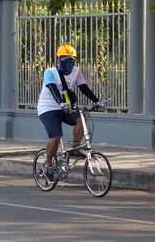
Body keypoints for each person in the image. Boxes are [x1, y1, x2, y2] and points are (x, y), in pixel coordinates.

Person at [36, 44, 106, 181]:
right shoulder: (50, 72)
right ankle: (47, 164)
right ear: (58, 60)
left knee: (82, 118)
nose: (69, 64)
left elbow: (83, 88)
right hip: (48, 108)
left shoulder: (76, 71)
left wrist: (97, 101)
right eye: (65, 61)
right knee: (56, 137)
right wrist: (61, 103)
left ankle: (75, 147)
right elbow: (52, 88)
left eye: (71, 61)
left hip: (66, 107)